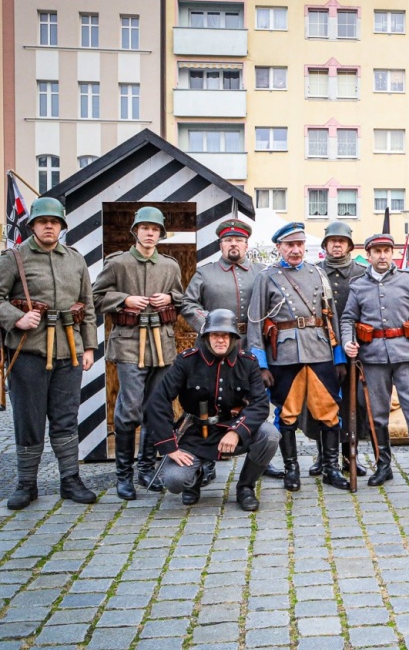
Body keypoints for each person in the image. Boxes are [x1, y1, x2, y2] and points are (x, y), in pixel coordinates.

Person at [0, 197, 98, 509]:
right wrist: (16, 318)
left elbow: (88, 305)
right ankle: (26, 483)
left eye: (54, 222)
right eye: (43, 222)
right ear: (32, 225)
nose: (48, 226)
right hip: (27, 351)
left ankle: (70, 479)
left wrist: (90, 347)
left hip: (69, 352)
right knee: (28, 419)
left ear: (61, 226)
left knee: (66, 417)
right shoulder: (13, 258)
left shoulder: (75, 259)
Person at [248, 222, 349, 493]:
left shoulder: (318, 274)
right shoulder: (267, 277)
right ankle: (292, 470)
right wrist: (260, 363)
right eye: (289, 245)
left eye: (299, 245)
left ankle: (331, 468)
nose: (295, 250)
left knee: (329, 412)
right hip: (285, 355)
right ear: (279, 247)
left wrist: (338, 356)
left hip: (319, 351)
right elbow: (255, 322)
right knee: (287, 415)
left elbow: (332, 317)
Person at [143, 310, 278, 511]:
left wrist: (236, 432)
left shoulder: (248, 363)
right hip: (195, 433)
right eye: (215, 335)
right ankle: (194, 479)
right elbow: (158, 401)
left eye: (225, 335)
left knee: (270, 435)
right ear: (206, 337)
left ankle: (245, 488)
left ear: (233, 338)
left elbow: (259, 404)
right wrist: (169, 446)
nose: (220, 340)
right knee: (174, 480)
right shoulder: (186, 361)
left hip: (231, 428)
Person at [92, 206, 184, 501]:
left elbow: (182, 298)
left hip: (162, 343)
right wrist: (125, 299)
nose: (149, 233)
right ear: (135, 231)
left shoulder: (170, 266)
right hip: (130, 342)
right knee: (129, 408)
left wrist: (169, 297)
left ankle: (146, 469)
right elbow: (95, 297)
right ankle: (124, 476)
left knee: (156, 408)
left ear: (160, 234)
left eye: (155, 229)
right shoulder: (118, 263)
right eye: (144, 228)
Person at [341, 233, 409, 491]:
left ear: (392, 253)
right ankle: (383, 466)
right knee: (376, 414)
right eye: (377, 251)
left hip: (407, 356)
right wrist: (348, 341)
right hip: (372, 358)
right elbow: (348, 318)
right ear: (369, 255)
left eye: (387, 250)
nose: (383, 256)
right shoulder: (358, 285)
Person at [179, 218, 271, 485]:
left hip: (252, 343)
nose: (234, 244)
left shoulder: (261, 273)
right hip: (214, 345)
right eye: (228, 240)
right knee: (210, 401)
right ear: (221, 244)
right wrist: (209, 326)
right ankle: (205, 460)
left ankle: (259, 457)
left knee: (256, 400)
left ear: (246, 244)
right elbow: (187, 303)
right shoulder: (205, 273)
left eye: (239, 240)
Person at [318, 222, 369, 479]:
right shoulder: (314, 272)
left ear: (349, 245)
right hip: (320, 348)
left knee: (352, 404)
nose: (336, 245)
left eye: (341, 241)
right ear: (325, 245)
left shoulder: (362, 273)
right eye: (332, 241)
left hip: (354, 347)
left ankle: (351, 454)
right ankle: (322, 456)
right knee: (321, 402)